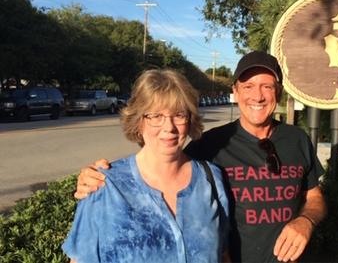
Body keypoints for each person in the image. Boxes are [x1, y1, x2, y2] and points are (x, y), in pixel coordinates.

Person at [75, 51, 327, 263]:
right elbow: (159, 159)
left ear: (278, 92)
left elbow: (315, 197)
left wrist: (305, 221)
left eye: (267, 87)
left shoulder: (297, 140)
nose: (257, 95)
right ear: (235, 92)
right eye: (248, 86)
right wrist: (97, 177)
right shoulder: (211, 146)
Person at [63, 69, 230, 263]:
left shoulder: (210, 179)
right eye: (156, 116)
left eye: (178, 115)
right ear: (139, 122)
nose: (169, 127)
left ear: (190, 119)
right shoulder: (105, 186)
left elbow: (223, 254)